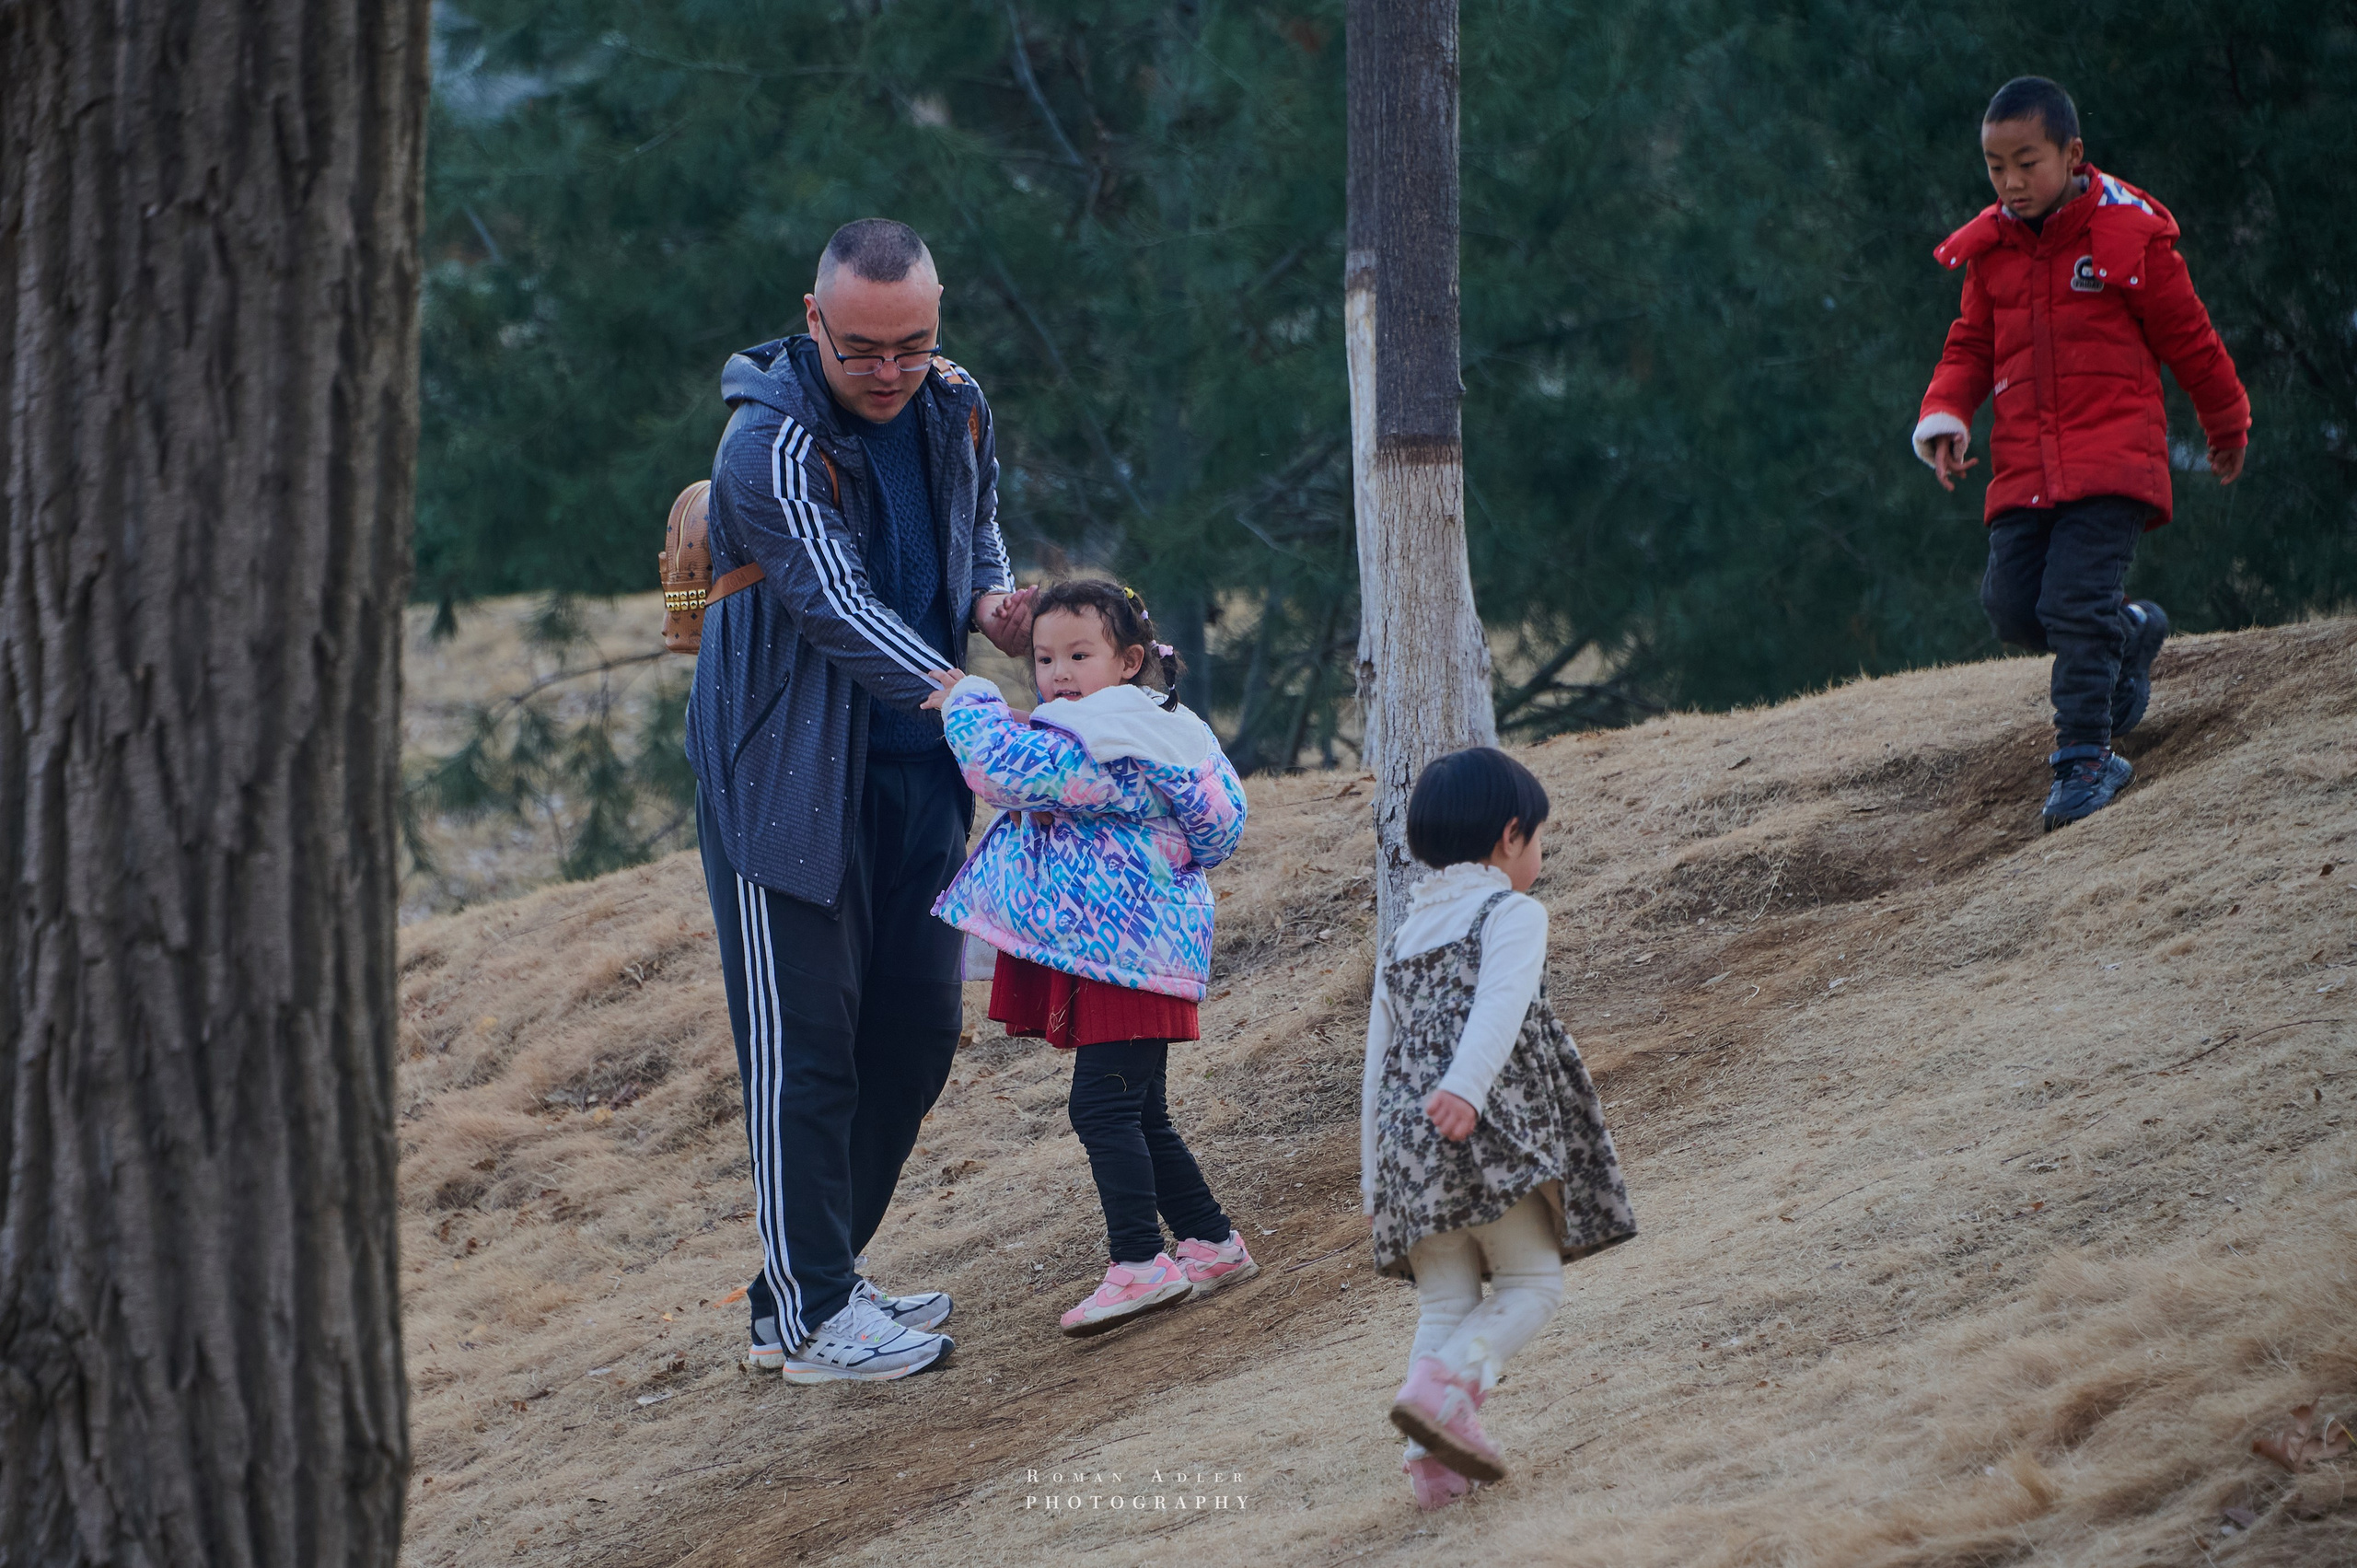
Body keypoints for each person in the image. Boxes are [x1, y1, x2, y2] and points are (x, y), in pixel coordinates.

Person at [686, 218, 1039, 1382]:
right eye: (862, 349)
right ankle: (811, 1314)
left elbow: (971, 528)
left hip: (919, 768)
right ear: (812, 319)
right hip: (783, 777)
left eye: (913, 344)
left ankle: (804, 1285)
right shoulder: (768, 443)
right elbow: (832, 601)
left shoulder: (956, 400)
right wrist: (960, 690)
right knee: (808, 1055)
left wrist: (993, 603)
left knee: (914, 1038)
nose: (890, 371)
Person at [1911, 75, 2249, 830]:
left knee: (2072, 604)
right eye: (1996, 167)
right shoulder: (1991, 251)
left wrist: (2226, 426)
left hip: (2113, 461)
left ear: (2072, 154)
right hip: (2025, 468)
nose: (2010, 182)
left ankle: (2085, 760)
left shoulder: (2128, 235)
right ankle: (2126, 632)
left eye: (2027, 162)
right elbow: (1969, 345)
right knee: (2012, 607)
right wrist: (1945, 415)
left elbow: (2190, 339)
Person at [924, 580, 1259, 1337]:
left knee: (1100, 1107)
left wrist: (967, 698)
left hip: (1125, 957)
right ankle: (1210, 1242)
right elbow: (1042, 752)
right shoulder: (1149, 726)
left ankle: (1139, 1261)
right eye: (1044, 658)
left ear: (1130, 659)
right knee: (1140, 1110)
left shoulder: (1110, 741)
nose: (1059, 673)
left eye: (1080, 654)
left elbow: (1001, 770)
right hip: (1138, 952)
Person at [1361, 747, 1635, 1511]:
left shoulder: (1401, 937)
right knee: (1531, 1284)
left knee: (1444, 1305)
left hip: (1408, 1153)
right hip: (1480, 1134)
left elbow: (1376, 1065)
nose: (1538, 855)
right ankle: (1446, 1390)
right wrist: (1464, 1088)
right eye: (1539, 838)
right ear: (1510, 835)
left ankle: (1431, 1462)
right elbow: (1500, 1008)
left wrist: (1373, 1181)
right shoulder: (1511, 912)